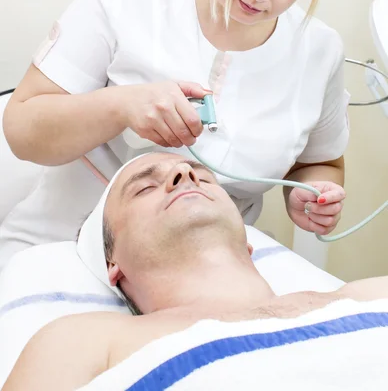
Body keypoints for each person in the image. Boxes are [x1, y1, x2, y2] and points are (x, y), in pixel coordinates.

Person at [2, 0, 349, 266]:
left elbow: (320, 162)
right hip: (68, 241)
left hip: (208, 266)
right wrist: (121, 106)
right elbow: (22, 128)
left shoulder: (319, 51)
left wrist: (313, 193)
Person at [4, 152, 387, 391]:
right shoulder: (82, 341)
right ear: (112, 263)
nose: (184, 176)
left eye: (202, 177)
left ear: (248, 243)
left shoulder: (371, 295)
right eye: (144, 188)